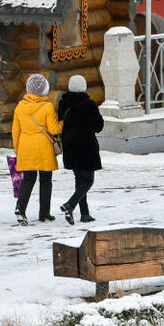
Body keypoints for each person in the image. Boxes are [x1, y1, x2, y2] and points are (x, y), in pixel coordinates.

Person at [12, 73, 63, 226]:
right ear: (44, 89)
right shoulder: (47, 106)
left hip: (25, 146)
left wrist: (18, 149)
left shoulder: (20, 106)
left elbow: (15, 131)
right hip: (43, 148)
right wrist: (63, 123)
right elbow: (53, 129)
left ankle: (20, 209)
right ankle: (44, 213)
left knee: (28, 179)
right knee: (46, 180)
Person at [58, 74, 104, 225]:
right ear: (84, 87)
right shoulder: (89, 105)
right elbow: (99, 126)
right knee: (88, 180)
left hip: (70, 147)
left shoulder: (64, 103)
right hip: (86, 148)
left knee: (79, 180)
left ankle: (85, 214)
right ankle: (70, 205)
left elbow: (60, 122)